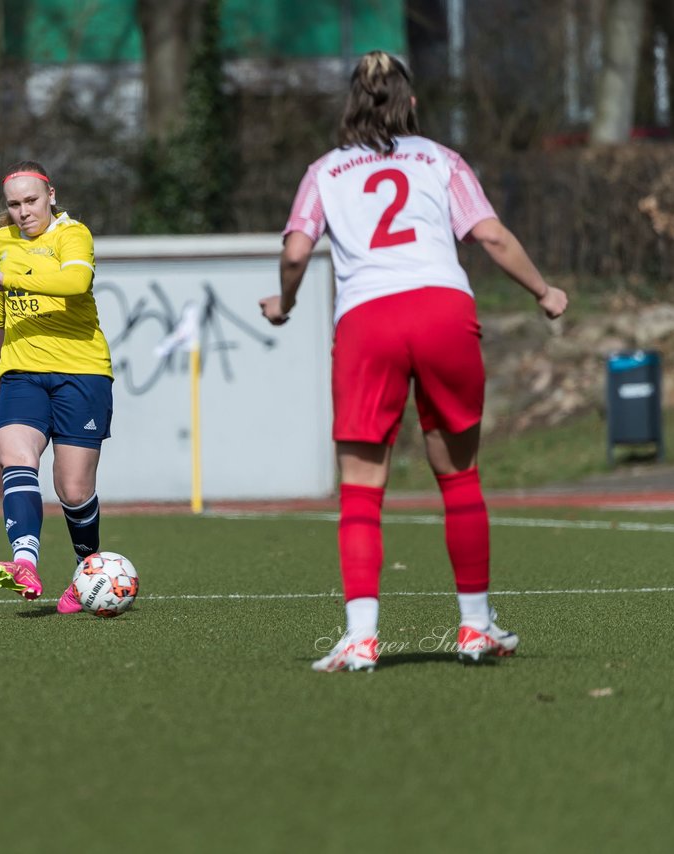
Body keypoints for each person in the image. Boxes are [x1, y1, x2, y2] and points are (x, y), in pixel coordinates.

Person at [260, 51, 568, 672]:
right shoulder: (441, 159)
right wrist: (543, 291)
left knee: (361, 491)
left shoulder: (324, 170)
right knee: (459, 479)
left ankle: (361, 638)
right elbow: (491, 236)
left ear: (351, 104)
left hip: (368, 322)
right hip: (442, 313)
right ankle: (476, 628)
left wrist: (285, 301)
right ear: (412, 104)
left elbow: (296, 252)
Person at [0, 161, 114, 614]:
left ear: (51, 195)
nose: (22, 212)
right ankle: (25, 562)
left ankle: (85, 573)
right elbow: (13, 298)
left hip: (82, 370)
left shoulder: (73, 235)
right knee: (15, 454)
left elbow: (76, 282)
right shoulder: (3, 239)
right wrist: (4, 304)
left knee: (73, 491)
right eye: (14, 205)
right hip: (21, 369)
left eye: (31, 201)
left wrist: (13, 280)